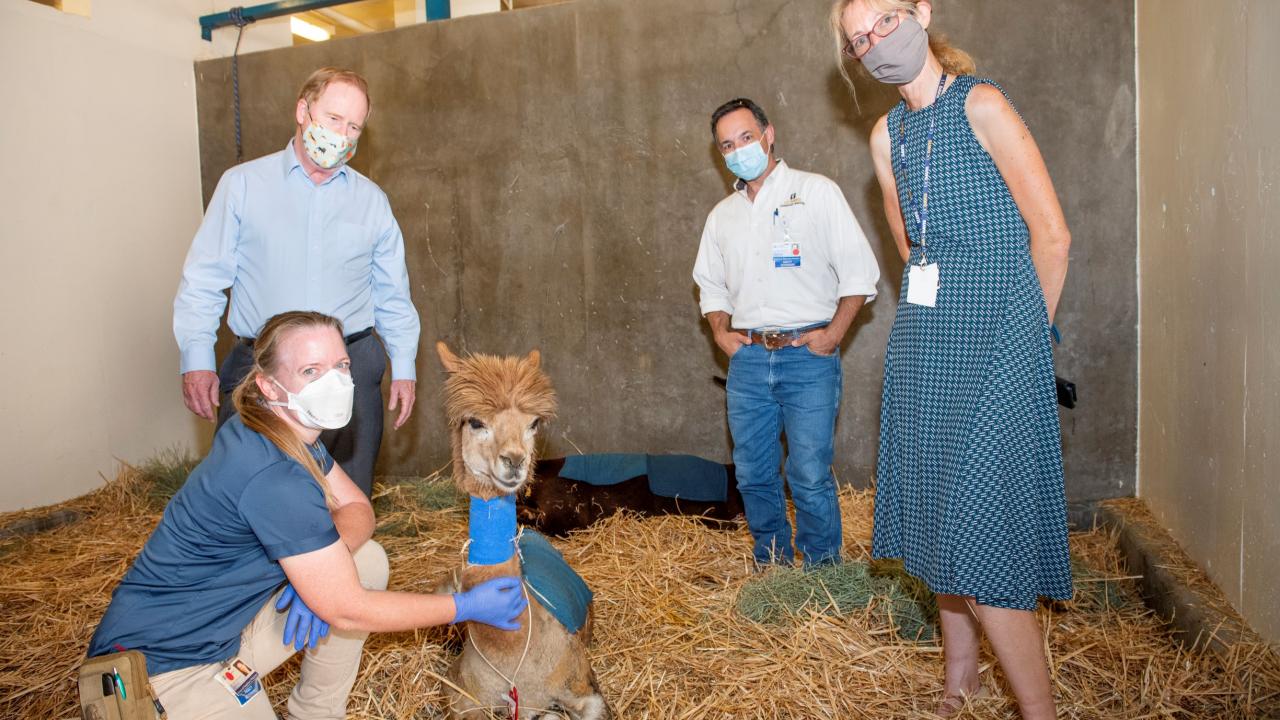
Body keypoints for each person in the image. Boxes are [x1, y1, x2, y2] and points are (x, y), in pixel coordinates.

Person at [87, 311, 525, 719]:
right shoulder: (275, 476)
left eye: (341, 366)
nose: (333, 382)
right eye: (310, 371)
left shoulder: (282, 427)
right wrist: (464, 606)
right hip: (159, 672)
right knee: (345, 600)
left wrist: (320, 578)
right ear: (269, 386)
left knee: (365, 561)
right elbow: (350, 612)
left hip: (222, 632)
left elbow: (358, 509)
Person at [832, 1, 1073, 717]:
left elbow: (1052, 238)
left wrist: (1025, 344)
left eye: (883, 22)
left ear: (921, 14)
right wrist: (945, 302)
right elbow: (910, 244)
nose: (875, 43)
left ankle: (1041, 711)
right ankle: (958, 684)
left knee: (982, 532)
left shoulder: (984, 105)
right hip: (926, 347)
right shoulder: (888, 134)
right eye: (858, 40)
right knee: (939, 520)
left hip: (1000, 344)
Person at [174, 67, 420, 498]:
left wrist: (403, 365)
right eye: (332, 118)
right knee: (243, 495)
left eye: (353, 126)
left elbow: (392, 294)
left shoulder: (372, 203)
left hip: (350, 364)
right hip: (258, 365)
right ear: (303, 110)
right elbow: (204, 278)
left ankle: (341, 564)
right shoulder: (243, 186)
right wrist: (197, 357)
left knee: (345, 498)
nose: (342, 134)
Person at [692, 98, 881, 569]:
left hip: (808, 357)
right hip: (750, 359)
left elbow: (860, 273)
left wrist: (833, 334)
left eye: (746, 138)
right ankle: (773, 566)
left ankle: (821, 573)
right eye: (727, 145)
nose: (739, 150)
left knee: (809, 474)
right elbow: (710, 285)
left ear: (769, 134)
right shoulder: (722, 217)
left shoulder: (816, 193)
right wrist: (721, 331)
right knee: (754, 474)